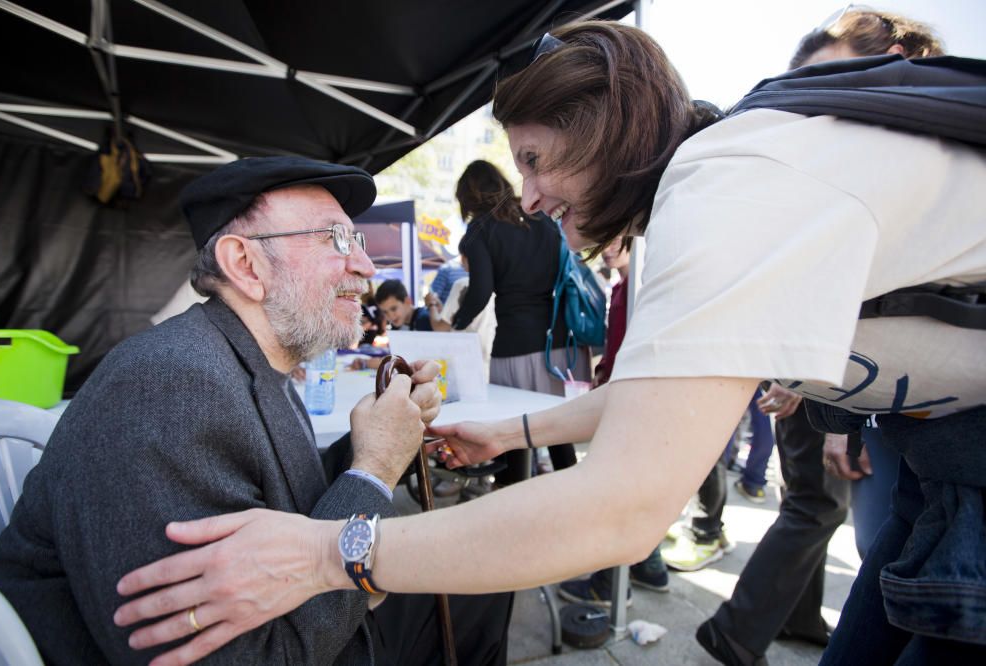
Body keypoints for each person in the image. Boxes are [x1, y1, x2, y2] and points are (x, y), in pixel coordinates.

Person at [109, 19, 985, 666]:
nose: (525, 197)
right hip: (942, 475)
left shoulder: (730, 193)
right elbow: (655, 399)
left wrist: (327, 552)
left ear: (607, 126)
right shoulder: (727, 188)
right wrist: (515, 433)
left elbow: (621, 510)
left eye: (532, 159)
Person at [0, 156, 513, 665]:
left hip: (305, 624)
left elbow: (275, 492)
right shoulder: (165, 388)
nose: (366, 265)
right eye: (336, 238)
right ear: (245, 264)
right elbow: (244, 654)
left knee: (481, 577)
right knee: (479, 579)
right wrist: (372, 470)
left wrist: (377, 443)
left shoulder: (248, 359)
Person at [697, 10, 950, 664]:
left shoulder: (918, 155)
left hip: (874, 402)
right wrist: (830, 405)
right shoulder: (850, 166)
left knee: (817, 508)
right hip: (856, 399)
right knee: (819, 509)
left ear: (896, 57)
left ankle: (792, 619)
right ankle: (740, 630)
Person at [448, 159, 588, 484]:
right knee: (558, 434)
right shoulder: (542, 219)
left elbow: (481, 292)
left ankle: (513, 515)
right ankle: (575, 507)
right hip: (558, 343)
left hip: (515, 346)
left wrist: (456, 323)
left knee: (512, 438)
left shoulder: (481, 229)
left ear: (468, 197)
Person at [558, 237, 671, 606]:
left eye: (616, 241)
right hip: (621, 389)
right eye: (603, 242)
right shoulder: (623, 286)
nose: (607, 249)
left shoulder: (641, 285)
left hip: (633, 397)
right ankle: (649, 568)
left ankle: (609, 585)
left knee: (620, 490)